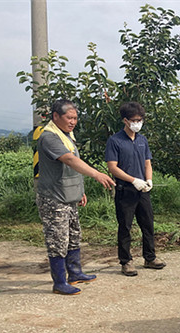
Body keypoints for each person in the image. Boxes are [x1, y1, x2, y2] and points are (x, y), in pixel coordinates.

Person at [36, 99, 116, 295]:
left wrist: (79, 191)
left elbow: (72, 167)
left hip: (69, 196)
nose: (73, 122)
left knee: (73, 236)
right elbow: (70, 160)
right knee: (57, 240)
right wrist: (96, 174)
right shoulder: (49, 137)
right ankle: (59, 282)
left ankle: (75, 272)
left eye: (75, 118)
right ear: (56, 117)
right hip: (54, 198)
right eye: (69, 117)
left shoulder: (66, 135)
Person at [105, 102, 166, 276]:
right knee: (125, 226)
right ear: (125, 120)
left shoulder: (142, 140)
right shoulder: (115, 140)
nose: (138, 123)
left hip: (143, 190)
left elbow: (148, 162)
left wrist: (148, 180)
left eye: (140, 120)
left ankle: (150, 257)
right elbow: (113, 167)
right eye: (134, 120)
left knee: (147, 224)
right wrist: (133, 180)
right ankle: (126, 261)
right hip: (126, 190)